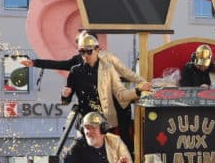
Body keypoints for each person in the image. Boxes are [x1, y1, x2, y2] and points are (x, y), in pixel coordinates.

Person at [21, 32, 151, 147]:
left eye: (89, 50)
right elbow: (60, 65)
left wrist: (142, 84)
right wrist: (35, 63)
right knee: (90, 140)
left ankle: (125, 155)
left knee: (120, 135)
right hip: (90, 110)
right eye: (82, 49)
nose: (86, 54)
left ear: (97, 48)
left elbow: (126, 72)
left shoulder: (108, 60)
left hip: (113, 102)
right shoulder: (77, 64)